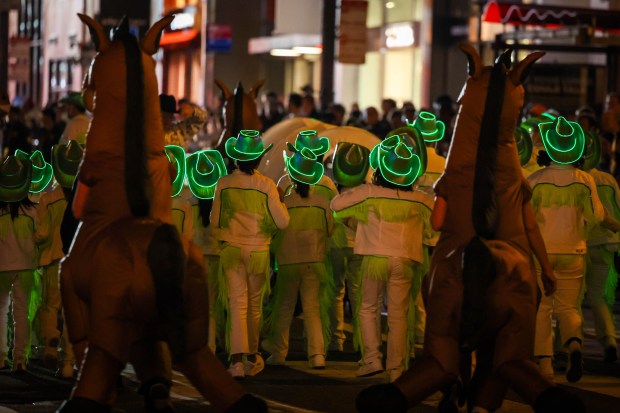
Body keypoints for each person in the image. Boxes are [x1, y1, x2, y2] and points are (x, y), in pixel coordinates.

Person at [332, 135, 433, 382]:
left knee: (368, 309)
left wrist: (357, 219)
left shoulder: (369, 192)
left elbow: (336, 204)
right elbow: (437, 217)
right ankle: (396, 367)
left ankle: (372, 360)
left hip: (375, 258)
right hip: (407, 260)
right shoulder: (419, 197)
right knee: (399, 314)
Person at [528, 116, 616, 382]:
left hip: (542, 252)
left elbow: (526, 219)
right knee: (569, 308)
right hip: (574, 251)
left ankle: (544, 367)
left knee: (542, 308)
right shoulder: (584, 179)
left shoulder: (536, 179)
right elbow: (598, 216)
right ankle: (575, 346)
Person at [211, 129, 290, 379]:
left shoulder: (224, 183)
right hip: (259, 252)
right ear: (258, 159)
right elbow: (283, 223)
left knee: (236, 304)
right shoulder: (266, 185)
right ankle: (251, 356)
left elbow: (215, 220)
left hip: (232, 250)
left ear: (236, 158)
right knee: (255, 306)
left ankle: (235, 361)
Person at [262, 144, 333, 368]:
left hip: (288, 262)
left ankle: (279, 353)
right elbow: (330, 229)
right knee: (313, 310)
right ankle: (317, 355)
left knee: (284, 307)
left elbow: (275, 228)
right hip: (315, 261)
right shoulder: (323, 203)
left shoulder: (286, 203)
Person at [581, 131, 620, 363]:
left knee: (575, 298)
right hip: (610, 244)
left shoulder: (579, 178)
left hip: (586, 243)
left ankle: (568, 343)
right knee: (603, 296)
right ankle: (609, 340)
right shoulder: (608, 178)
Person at [327, 143, 369, 353]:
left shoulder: (332, 191)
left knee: (336, 292)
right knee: (358, 294)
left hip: (336, 244)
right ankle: (362, 341)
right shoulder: (367, 191)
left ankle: (337, 341)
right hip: (359, 247)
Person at [186, 149, 228, 353]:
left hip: (196, 256)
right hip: (218, 255)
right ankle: (213, 343)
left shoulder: (188, 201)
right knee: (215, 305)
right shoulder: (221, 201)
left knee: (196, 304)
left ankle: (198, 342)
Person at [0, 155, 38, 372]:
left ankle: (1, 356)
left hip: (1, 267)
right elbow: (40, 236)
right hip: (26, 267)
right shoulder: (32, 211)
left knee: (0, 311)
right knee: (21, 313)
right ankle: (20, 359)